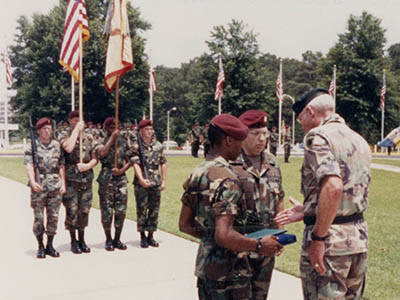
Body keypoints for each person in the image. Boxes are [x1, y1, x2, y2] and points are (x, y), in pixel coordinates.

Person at [274, 88, 371, 300]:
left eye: (300, 119)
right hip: (357, 238)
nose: (301, 126)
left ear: (310, 111)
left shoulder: (317, 138)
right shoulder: (358, 139)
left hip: (330, 242)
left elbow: (334, 187)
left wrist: (318, 238)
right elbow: (349, 192)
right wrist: (310, 209)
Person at [179, 114, 283, 300]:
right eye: (239, 140)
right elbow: (224, 235)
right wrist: (258, 245)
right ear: (228, 140)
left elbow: (185, 224)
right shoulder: (228, 179)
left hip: (207, 267)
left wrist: (212, 238)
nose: (240, 145)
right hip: (231, 273)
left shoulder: (199, 171)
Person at [230, 110, 285, 299]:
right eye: (256, 134)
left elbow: (279, 199)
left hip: (267, 246)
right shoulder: (231, 164)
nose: (262, 139)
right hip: (240, 247)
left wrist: (281, 233)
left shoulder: (272, 163)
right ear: (243, 134)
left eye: (265, 133)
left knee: (261, 295)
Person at [24, 118, 66, 258]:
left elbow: (61, 165)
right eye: (44, 129)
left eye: (49, 128)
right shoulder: (33, 146)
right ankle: (40, 245)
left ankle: (50, 245)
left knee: (53, 216)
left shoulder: (57, 145)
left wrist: (63, 183)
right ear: (38, 131)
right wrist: (32, 181)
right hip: (39, 186)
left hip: (54, 185)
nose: (47, 131)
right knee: (39, 217)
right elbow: (29, 165)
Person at [58, 110, 98, 254]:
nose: (77, 122)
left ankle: (82, 239)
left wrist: (87, 166)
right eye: (74, 120)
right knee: (72, 211)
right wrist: (76, 131)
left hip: (86, 180)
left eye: (79, 120)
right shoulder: (64, 135)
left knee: (84, 211)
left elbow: (95, 158)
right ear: (70, 121)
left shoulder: (89, 137)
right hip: (71, 181)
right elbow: (68, 148)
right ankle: (73, 241)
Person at [130, 119, 167, 248]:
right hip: (141, 182)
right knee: (142, 209)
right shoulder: (136, 146)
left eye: (151, 129)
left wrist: (164, 180)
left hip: (155, 181)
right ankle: (142, 236)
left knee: (154, 209)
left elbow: (163, 163)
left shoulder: (158, 145)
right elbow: (135, 163)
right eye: (147, 129)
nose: (150, 131)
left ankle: (151, 235)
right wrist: (140, 179)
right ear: (140, 131)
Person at [96, 117, 131, 251]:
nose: (114, 129)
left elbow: (130, 159)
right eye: (111, 127)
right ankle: (108, 239)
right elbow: (102, 154)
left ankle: (117, 239)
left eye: (116, 127)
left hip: (120, 178)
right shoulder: (101, 140)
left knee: (121, 211)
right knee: (107, 211)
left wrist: (122, 170)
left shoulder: (123, 141)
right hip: (106, 178)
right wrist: (112, 139)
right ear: (106, 129)